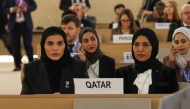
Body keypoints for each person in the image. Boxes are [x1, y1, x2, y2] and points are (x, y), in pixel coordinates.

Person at [21, 26, 87, 94]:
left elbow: (86, 100)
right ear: (43, 46)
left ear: (65, 45)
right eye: (50, 44)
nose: (55, 48)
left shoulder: (80, 68)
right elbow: (24, 102)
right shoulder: (31, 69)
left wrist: (63, 100)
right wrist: (51, 101)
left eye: (59, 43)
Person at [115, 28, 179, 94]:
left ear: (153, 47)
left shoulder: (168, 73)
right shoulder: (121, 74)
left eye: (145, 45)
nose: (140, 49)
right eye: (136, 44)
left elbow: (174, 102)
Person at [2, 0, 37, 71]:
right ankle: (18, 65)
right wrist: (12, 9)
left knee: (28, 44)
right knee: (15, 45)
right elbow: (4, 9)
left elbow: (34, 6)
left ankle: (31, 63)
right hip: (14, 25)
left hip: (26, 24)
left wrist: (26, 9)